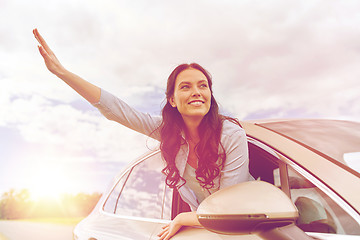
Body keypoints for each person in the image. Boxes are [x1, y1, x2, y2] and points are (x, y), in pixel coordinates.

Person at [33, 28, 253, 240]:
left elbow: (228, 208)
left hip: (245, 225)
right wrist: (62, 73)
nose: (196, 91)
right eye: (185, 86)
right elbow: (117, 110)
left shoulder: (231, 136)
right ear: (172, 100)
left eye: (203, 86)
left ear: (210, 95)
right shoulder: (169, 132)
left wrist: (184, 217)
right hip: (209, 229)